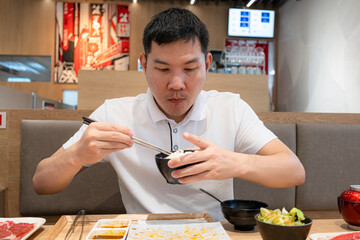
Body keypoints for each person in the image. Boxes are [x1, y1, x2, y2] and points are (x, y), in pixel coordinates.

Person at [32, 8, 305, 221]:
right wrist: (78, 153)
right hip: (142, 232)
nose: (176, 83)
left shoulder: (230, 108)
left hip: (215, 232)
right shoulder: (114, 113)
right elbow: (41, 183)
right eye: (163, 69)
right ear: (144, 65)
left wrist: (235, 163)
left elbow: (293, 171)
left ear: (207, 64)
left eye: (189, 69)